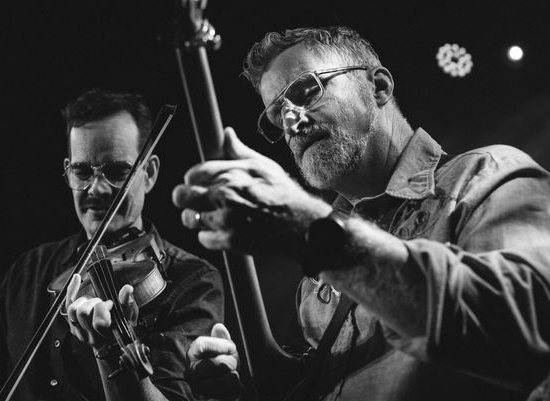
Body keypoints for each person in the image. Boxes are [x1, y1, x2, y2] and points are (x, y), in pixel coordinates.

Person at [173, 26, 550, 400]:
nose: (292, 123)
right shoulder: (314, 284)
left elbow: (526, 329)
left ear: (379, 87)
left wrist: (313, 233)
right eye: (277, 115)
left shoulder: (487, 174)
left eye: (307, 91)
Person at [0, 89, 224, 401]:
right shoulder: (30, 269)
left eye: (117, 171)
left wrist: (111, 351)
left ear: (148, 173)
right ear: (67, 170)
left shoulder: (193, 280)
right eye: (82, 172)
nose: (96, 189)